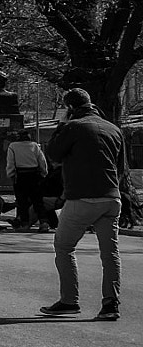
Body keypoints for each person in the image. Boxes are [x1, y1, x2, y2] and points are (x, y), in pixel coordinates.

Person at [39, 89, 123, 321]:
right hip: (111, 197)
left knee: (64, 247)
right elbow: (121, 168)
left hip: (82, 198)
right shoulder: (113, 128)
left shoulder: (73, 126)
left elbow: (54, 153)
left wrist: (61, 125)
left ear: (70, 108)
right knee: (110, 253)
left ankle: (69, 300)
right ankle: (110, 304)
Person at [6, 129, 50, 231]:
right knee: (38, 201)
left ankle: (24, 224)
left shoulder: (13, 146)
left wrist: (11, 175)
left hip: (20, 176)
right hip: (34, 175)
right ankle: (44, 223)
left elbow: (10, 163)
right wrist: (44, 173)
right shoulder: (34, 146)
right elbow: (42, 161)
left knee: (22, 202)